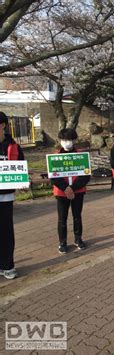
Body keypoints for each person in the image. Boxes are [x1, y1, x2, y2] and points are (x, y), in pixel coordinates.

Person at [50, 129, 90, 254]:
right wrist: (66, 188)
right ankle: (62, 242)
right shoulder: (55, 156)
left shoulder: (81, 155)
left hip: (78, 191)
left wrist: (72, 188)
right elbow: (54, 177)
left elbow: (85, 175)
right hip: (61, 193)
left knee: (77, 216)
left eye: (69, 140)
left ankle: (78, 239)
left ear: (74, 140)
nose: (66, 142)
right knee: (62, 219)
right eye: (63, 140)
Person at [0, 112, 24, 280]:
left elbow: (20, 166)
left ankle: (7, 266)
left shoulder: (13, 146)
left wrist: (22, 181)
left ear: (2, 125)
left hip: (6, 197)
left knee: (6, 232)